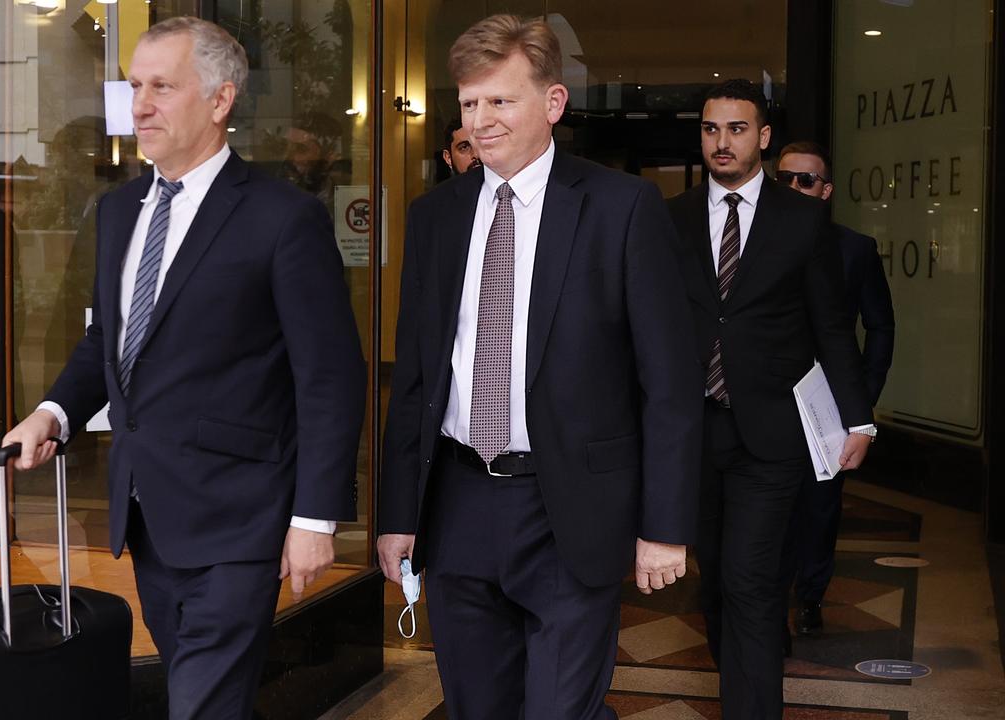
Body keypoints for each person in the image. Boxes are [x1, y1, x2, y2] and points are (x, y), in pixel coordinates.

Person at [1, 17, 365, 719]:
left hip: (241, 516)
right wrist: (52, 413)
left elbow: (329, 376)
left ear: (221, 100)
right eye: (135, 86)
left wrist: (315, 517)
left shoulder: (283, 218)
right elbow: (108, 340)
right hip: (147, 514)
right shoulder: (117, 210)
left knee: (199, 704)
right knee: (209, 699)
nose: (140, 105)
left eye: (162, 87)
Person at [377, 15, 701, 719]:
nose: (481, 120)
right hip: (459, 501)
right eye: (469, 103)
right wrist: (397, 515)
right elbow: (417, 383)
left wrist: (665, 525)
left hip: (571, 509)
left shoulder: (621, 208)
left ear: (552, 104)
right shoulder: (435, 217)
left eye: (501, 100)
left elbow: (669, 384)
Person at [665, 79, 876, 718]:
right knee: (716, 589)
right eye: (710, 129)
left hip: (771, 436)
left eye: (735, 129)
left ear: (763, 138)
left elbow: (832, 328)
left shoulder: (802, 221)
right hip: (692, 433)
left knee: (754, 585)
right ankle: (743, 687)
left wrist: (857, 420)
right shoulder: (667, 219)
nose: (721, 142)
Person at [775, 141, 895, 637]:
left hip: (827, 408)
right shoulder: (749, 242)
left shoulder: (854, 249)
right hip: (765, 406)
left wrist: (860, 400)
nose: (794, 188)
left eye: (806, 180)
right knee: (766, 512)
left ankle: (809, 598)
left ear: (824, 191)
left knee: (820, 511)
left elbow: (881, 326)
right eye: (785, 178)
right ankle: (765, 614)